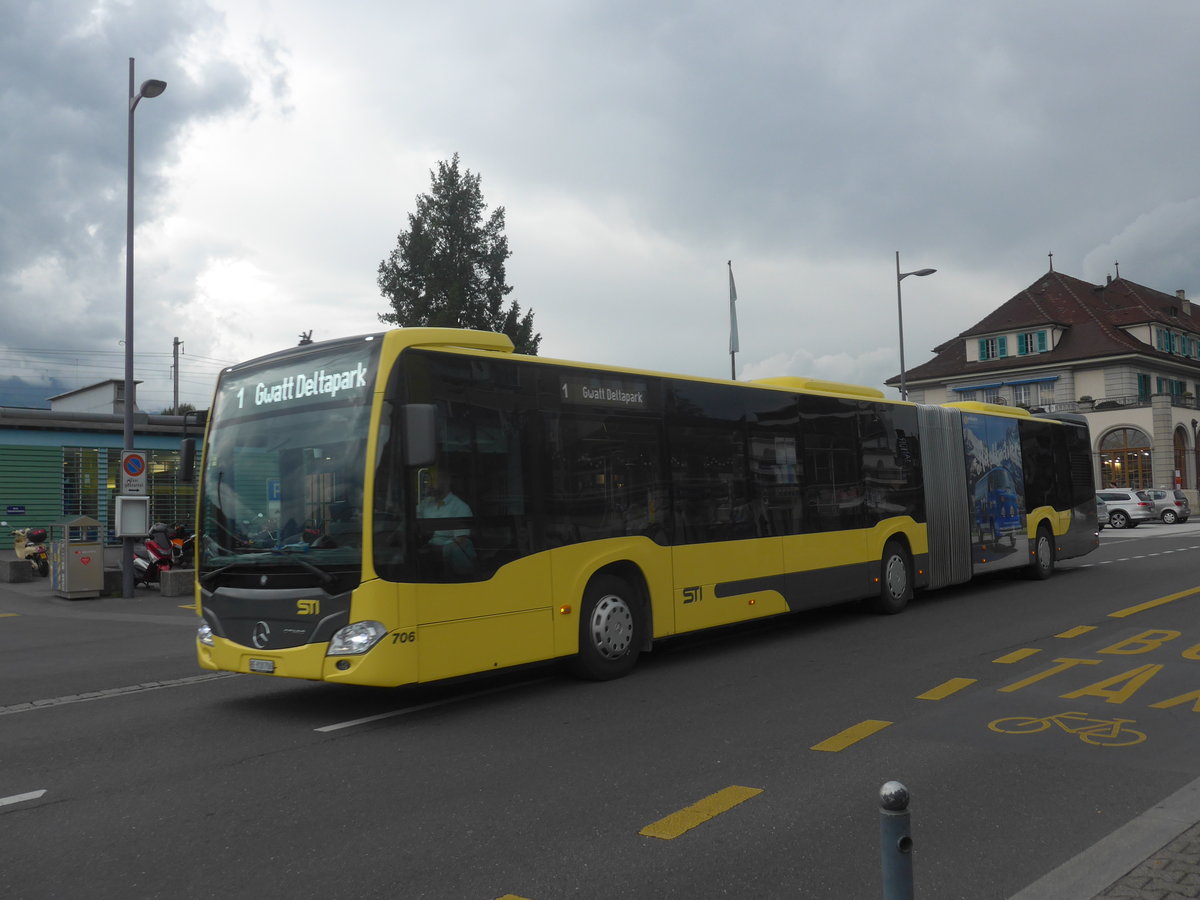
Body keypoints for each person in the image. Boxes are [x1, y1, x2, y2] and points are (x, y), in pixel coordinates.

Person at [417, 476, 475, 575]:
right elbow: (410, 518)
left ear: (446, 482)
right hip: (425, 552)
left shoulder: (460, 507)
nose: (429, 484)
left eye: (433, 480)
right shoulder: (427, 503)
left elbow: (460, 542)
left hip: (445, 559)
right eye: (429, 481)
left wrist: (436, 551)